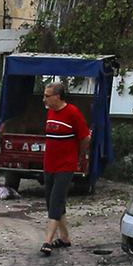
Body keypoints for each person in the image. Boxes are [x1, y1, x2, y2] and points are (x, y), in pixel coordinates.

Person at [40, 80, 91, 254]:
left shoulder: (73, 113)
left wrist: (79, 155)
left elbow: (85, 137)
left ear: (58, 97)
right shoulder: (50, 113)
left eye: (47, 96)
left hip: (65, 165)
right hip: (49, 164)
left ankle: (47, 241)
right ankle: (65, 238)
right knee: (52, 202)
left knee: (56, 201)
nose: (44, 100)